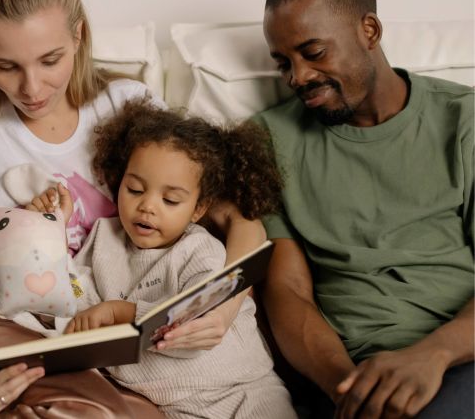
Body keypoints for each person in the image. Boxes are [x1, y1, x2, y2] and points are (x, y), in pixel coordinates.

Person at [0, 0, 268, 416]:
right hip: (34, 333)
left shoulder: (126, 105)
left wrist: (221, 305)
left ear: (78, 35)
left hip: (126, 334)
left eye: (50, 59)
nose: (32, 87)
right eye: (6, 66)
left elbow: (240, 219)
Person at [254, 0, 474, 419]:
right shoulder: (269, 140)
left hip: (460, 358)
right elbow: (287, 289)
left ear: (369, 30)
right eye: (284, 64)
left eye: (313, 52)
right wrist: (347, 390)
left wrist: (432, 356)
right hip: (346, 374)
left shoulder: (463, 122)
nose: (299, 77)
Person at [38, 99, 295, 419]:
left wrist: (118, 312)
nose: (147, 206)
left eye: (170, 199)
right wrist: (53, 232)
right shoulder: (104, 237)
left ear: (199, 209)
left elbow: (191, 325)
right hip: (175, 405)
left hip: (243, 389)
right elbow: (72, 291)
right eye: (134, 190)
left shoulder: (200, 250)